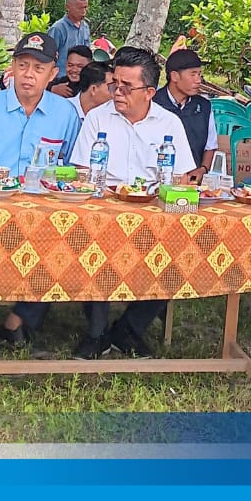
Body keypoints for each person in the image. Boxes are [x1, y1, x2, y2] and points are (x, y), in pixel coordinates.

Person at [0, 32, 81, 352]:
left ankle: (18, 319)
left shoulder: (65, 114)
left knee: (67, 243)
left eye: (39, 68)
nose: (29, 74)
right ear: (12, 66)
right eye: (23, 65)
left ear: (53, 73)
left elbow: (73, 171)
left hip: (44, 212)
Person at [70, 46, 197, 359]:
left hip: (152, 211)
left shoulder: (169, 125)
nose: (118, 92)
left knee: (182, 244)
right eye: (115, 84)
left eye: (127, 87)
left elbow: (180, 180)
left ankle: (130, 327)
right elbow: (82, 174)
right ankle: (97, 333)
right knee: (93, 238)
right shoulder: (97, 118)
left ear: (150, 92)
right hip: (105, 209)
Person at [152, 49, 217, 180]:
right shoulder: (153, 103)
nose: (198, 80)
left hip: (192, 181)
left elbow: (211, 145)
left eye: (199, 74)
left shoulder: (204, 106)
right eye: (193, 74)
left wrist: (203, 169)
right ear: (175, 76)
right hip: (157, 178)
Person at [48, 0, 91, 77]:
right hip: (61, 79)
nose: (83, 11)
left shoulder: (85, 27)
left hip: (80, 78)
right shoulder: (58, 29)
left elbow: (87, 55)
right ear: (68, 7)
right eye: (79, 8)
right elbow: (49, 57)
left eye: (85, 7)